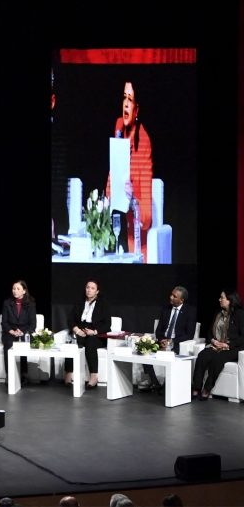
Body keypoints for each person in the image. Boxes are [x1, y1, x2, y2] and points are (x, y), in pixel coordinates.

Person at [105, 81, 152, 258]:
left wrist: (133, 199)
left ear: (137, 109)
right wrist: (104, 203)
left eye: (130, 99)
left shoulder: (144, 143)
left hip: (135, 233)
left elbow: (147, 217)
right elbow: (113, 171)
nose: (125, 103)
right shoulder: (118, 127)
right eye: (124, 97)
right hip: (116, 223)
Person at [141, 286, 197, 392]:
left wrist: (171, 341)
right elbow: (159, 330)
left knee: (170, 356)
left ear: (182, 300)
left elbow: (189, 335)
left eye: (174, 296)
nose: (171, 297)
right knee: (145, 352)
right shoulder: (166, 309)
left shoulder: (190, 311)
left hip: (176, 343)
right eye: (171, 294)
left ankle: (169, 385)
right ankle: (155, 382)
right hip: (162, 341)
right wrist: (162, 340)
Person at [192, 289, 244, 401]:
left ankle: (207, 389)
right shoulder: (218, 313)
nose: (219, 299)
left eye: (222, 297)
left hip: (232, 347)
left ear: (230, 300)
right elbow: (210, 332)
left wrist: (227, 344)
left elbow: (242, 337)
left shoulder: (240, 314)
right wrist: (213, 341)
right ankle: (196, 388)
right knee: (202, 356)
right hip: (216, 344)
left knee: (218, 359)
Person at [64, 279, 111, 389]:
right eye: (87, 287)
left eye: (92, 288)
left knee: (91, 343)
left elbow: (107, 325)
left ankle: (94, 376)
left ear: (97, 291)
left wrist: (93, 332)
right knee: (72, 344)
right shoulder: (80, 302)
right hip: (81, 332)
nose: (89, 290)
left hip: (96, 334)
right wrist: (78, 331)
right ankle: (68, 375)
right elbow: (70, 320)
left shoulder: (103, 304)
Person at [1, 280, 37, 385]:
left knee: (24, 344)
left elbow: (32, 324)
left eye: (18, 289)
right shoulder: (7, 303)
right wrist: (12, 331)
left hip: (25, 333)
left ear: (24, 291)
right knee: (8, 345)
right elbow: (4, 322)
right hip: (10, 332)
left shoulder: (31, 304)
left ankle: (24, 374)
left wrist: (23, 332)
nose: (15, 291)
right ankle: (9, 374)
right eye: (13, 289)